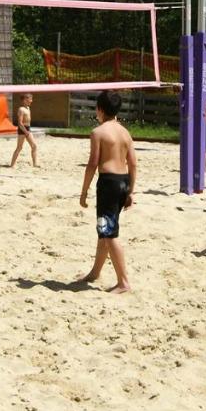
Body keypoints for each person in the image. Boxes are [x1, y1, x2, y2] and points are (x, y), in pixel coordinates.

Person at [77, 90, 136, 293]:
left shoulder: (98, 132)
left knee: (109, 234)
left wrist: (83, 192)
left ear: (100, 110)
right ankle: (95, 272)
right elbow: (133, 164)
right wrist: (131, 192)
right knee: (104, 231)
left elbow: (92, 164)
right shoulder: (125, 133)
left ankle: (123, 281)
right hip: (123, 182)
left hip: (108, 184)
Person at [9, 93, 38, 168]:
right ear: (25, 100)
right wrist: (26, 132)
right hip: (22, 129)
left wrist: (28, 132)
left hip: (28, 129)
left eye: (31, 99)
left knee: (34, 146)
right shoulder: (21, 109)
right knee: (19, 147)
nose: (31, 101)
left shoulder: (28, 108)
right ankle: (12, 165)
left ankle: (35, 164)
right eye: (30, 99)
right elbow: (20, 123)